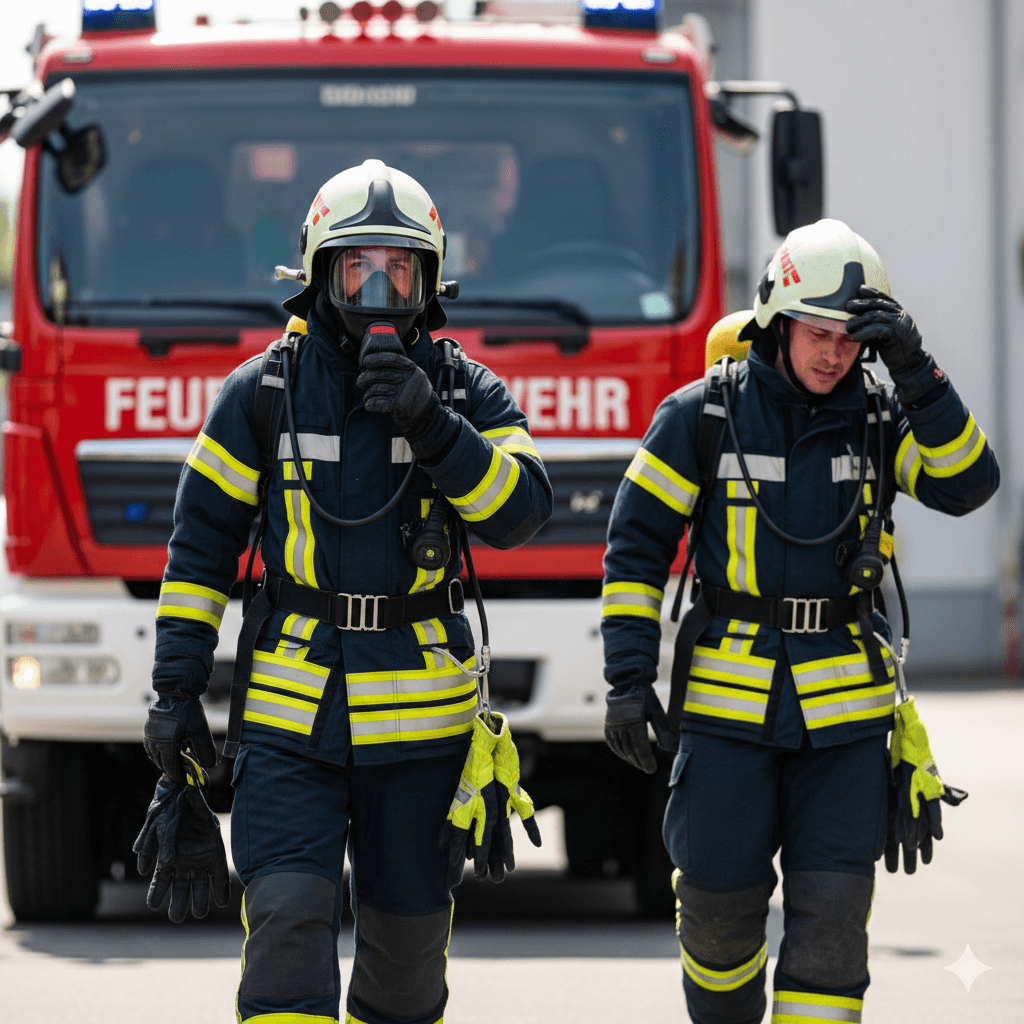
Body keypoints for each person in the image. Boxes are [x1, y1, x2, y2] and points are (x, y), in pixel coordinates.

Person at [136, 159, 552, 1024]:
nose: (375, 289)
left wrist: (433, 425)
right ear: (318, 273)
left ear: (430, 280)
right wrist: (175, 695)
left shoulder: (465, 390)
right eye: (355, 266)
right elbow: (200, 551)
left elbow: (521, 513)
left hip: (425, 741)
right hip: (292, 731)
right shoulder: (261, 394)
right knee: (286, 928)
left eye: (398, 269)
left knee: (405, 973)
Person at [600, 218, 998, 1024]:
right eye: (818, 333)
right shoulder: (699, 417)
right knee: (715, 914)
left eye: (852, 340)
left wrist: (919, 374)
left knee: (832, 930)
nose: (834, 355)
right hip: (724, 719)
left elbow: (968, 483)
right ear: (776, 321)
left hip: (846, 726)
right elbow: (635, 550)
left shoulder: (885, 421)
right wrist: (627, 681)